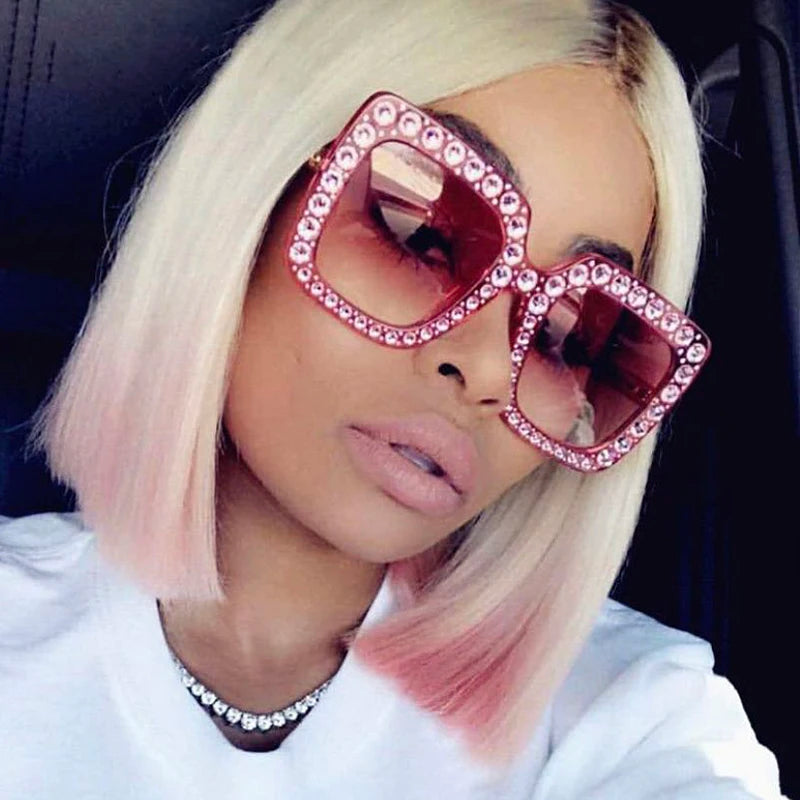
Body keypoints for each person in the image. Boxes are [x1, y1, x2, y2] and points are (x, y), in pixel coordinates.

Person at [0, 0, 788, 797]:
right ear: (250, 192)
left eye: (567, 337)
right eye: (419, 235)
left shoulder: (635, 713)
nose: (490, 369)